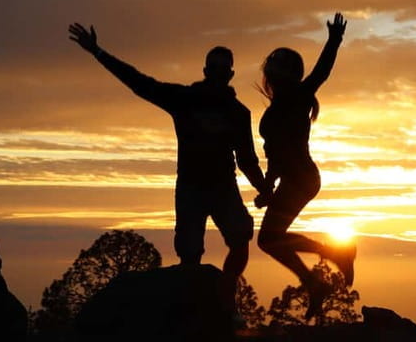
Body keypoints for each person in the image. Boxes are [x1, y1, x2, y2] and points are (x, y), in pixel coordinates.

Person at [68, 23, 271, 323]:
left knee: (241, 238)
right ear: (206, 70)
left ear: (229, 74)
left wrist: (264, 189)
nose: (216, 73)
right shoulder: (184, 99)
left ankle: (226, 303)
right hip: (190, 187)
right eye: (213, 67)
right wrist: (98, 52)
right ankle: (191, 314)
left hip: (222, 188)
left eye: (222, 69)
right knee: (189, 254)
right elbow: (139, 82)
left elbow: (247, 159)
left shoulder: (238, 113)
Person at [254, 12, 355, 319]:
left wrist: (334, 40)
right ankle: (315, 281)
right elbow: (274, 157)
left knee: (269, 239)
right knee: (270, 239)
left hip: (302, 179)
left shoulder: (298, 98)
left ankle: (331, 259)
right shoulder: (275, 111)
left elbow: (320, 72)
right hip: (294, 180)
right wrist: (268, 188)